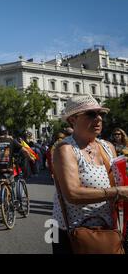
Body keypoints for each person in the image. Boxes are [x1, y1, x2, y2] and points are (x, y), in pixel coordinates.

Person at [51, 94, 128, 254]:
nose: (98, 119)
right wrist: (118, 192)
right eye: (91, 114)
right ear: (73, 119)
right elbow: (72, 193)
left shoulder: (108, 147)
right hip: (73, 233)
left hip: (108, 230)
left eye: (100, 114)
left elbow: (117, 181)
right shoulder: (66, 149)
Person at [0, 126, 34, 222]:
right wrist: (30, 158)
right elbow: (24, 150)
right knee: (10, 188)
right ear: (6, 132)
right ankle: (11, 206)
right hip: (8, 171)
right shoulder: (11, 141)